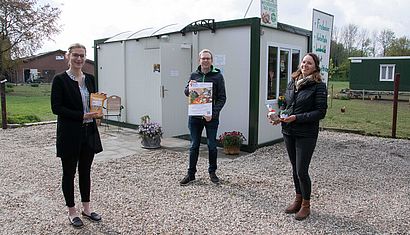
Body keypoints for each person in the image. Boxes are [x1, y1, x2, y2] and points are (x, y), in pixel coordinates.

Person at [270, 52, 327, 220]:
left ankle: (306, 205)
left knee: (302, 170)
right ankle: (298, 198)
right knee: (295, 169)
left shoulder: (318, 86)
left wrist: (297, 118)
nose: (305, 65)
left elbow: (320, 112)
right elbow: (287, 106)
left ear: (315, 67)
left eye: (309, 63)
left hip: (306, 134)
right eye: (303, 62)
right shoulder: (292, 82)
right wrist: (277, 116)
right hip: (289, 131)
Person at [51, 43, 103, 228]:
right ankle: (72, 211)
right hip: (69, 133)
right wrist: (81, 116)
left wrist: (97, 109)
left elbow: (93, 101)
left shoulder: (90, 78)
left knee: (86, 171)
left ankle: (87, 209)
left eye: (82, 55)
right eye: (75, 55)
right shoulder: (60, 80)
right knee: (69, 172)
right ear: (68, 56)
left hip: (88, 132)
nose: (79, 59)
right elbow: (56, 108)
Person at [180, 49, 226, 185]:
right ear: (199, 60)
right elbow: (186, 92)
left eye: (208, 58)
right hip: (195, 117)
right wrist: (189, 87)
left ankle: (212, 172)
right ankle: (191, 174)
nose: (205, 60)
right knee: (194, 145)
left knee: (212, 145)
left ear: (211, 61)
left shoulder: (218, 76)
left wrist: (213, 113)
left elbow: (222, 98)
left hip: (211, 118)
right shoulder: (194, 75)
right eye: (203, 58)